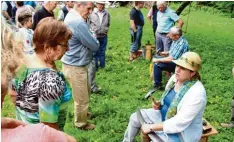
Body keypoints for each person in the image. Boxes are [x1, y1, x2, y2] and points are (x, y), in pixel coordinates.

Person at [1, 17, 76, 142]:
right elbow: (48, 128)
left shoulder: (21, 63)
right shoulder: (50, 81)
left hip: (24, 130)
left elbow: (13, 94)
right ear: (48, 48)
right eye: (65, 44)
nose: (67, 49)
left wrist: (27, 115)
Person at [123, 52, 206, 142]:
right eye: (178, 65)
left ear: (193, 72)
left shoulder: (197, 94)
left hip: (182, 132)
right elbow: (171, 99)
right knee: (135, 118)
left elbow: (180, 122)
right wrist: (160, 104)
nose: (177, 70)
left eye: (182, 68)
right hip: (163, 116)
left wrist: (151, 127)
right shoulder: (175, 78)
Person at [61, 1, 99, 130]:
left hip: (74, 64)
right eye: (88, 8)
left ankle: (84, 113)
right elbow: (94, 45)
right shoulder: (77, 22)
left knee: (84, 92)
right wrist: (93, 36)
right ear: (79, 5)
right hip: (75, 66)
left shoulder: (71, 16)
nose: (90, 12)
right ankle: (81, 123)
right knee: (81, 98)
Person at [89, 1, 110, 69]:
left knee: (102, 51)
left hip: (104, 35)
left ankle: (102, 66)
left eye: (102, 4)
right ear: (96, 4)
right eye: (99, 4)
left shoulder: (107, 13)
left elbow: (108, 23)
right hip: (95, 36)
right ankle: (96, 67)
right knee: (95, 52)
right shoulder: (92, 13)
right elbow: (89, 23)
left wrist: (106, 30)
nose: (101, 6)